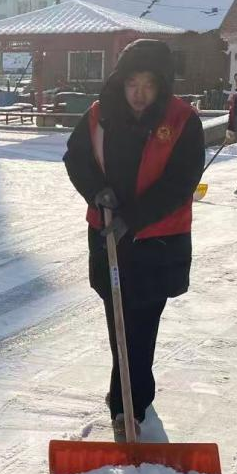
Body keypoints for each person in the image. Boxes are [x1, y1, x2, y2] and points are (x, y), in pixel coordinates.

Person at [63, 39, 204, 442]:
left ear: (162, 84)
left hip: (157, 241)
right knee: (119, 322)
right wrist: (97, 191)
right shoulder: (99, 115)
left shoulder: (182, 120)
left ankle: (131, 405)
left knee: (142, 324)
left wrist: (135, 218)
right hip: (109, 237)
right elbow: (77, 158)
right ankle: (126, 403)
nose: (139, 94)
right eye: (131, 84)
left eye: (148, 85)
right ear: (120, 82)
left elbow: (182, 181)